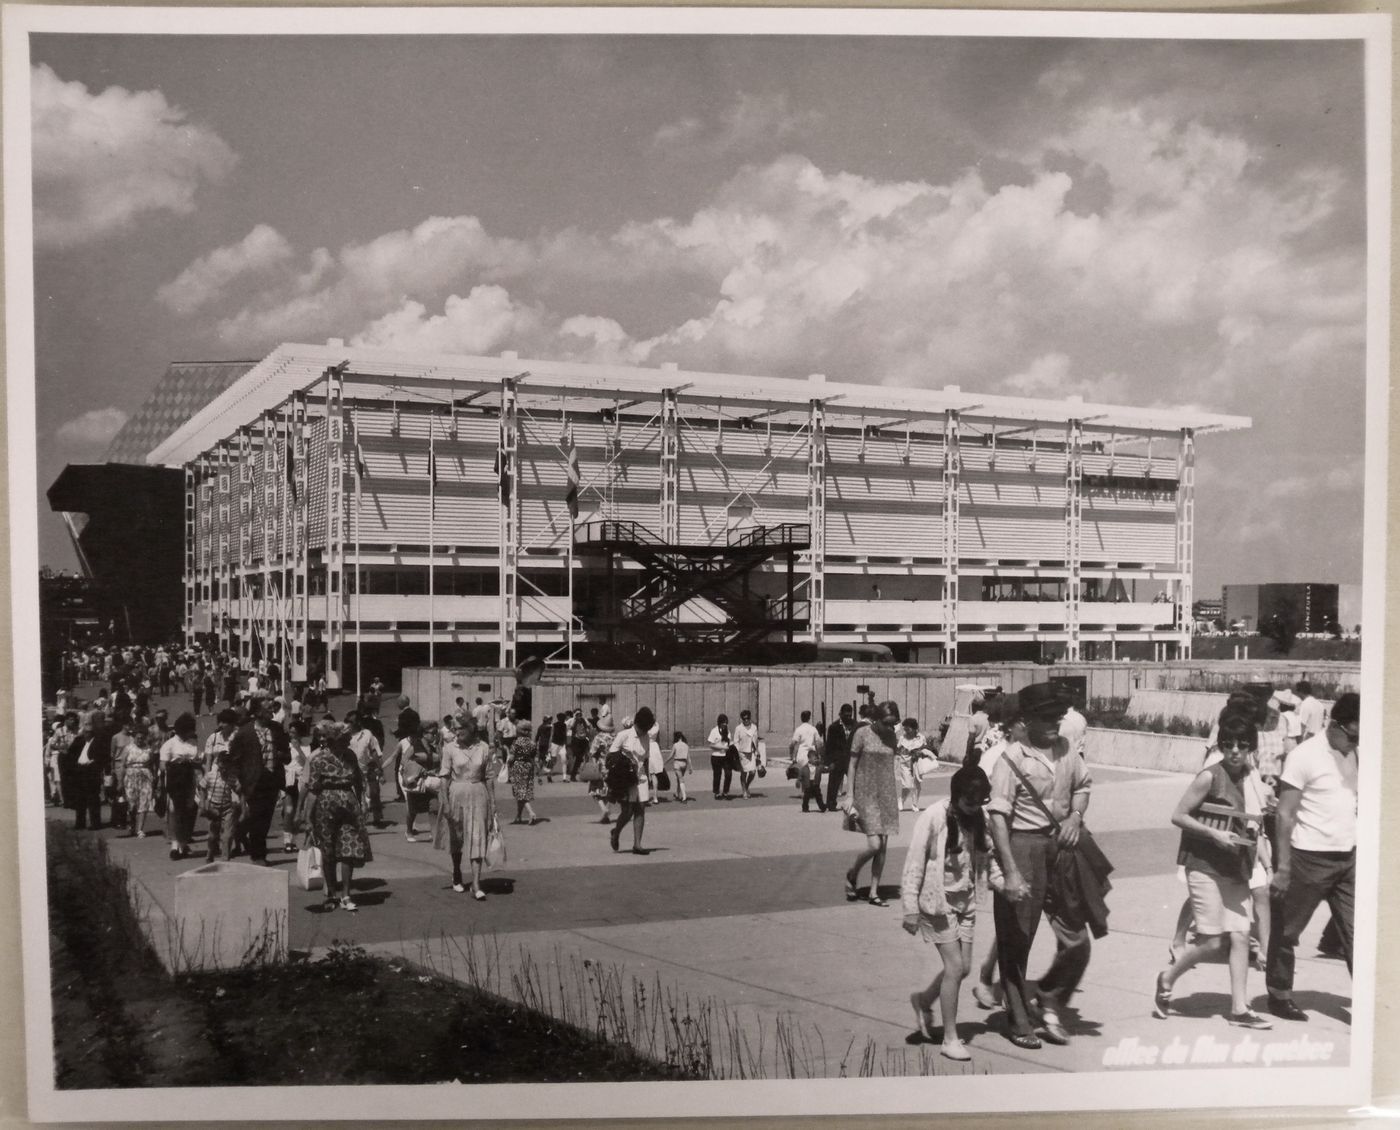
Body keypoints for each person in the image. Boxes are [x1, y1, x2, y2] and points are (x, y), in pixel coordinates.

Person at [986, 682, 1093, 1050]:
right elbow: (997, 818)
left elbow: (1083, 786)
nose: (1054, 725)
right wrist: (1011, 871)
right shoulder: (1011, 759)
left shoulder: (1067, 750)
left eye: (1058, 718)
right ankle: (1017, 1019)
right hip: (1024, 846)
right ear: (1027, 719)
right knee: (1018, 940)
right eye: (1046, 718)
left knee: (1077, 939)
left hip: (1061, 847)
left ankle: (1049, 995)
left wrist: (1076, 817)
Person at [1152, 711, 1273, 1030]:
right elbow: (1178, 815)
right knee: (1210, 942)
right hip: (1204, 865)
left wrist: (1267, 862)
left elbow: (1255, 824)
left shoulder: (1252, 778)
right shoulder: (1210, 775)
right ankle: (1167, 977)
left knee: (1241, 936)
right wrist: (1214, 834)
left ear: (1251, 748)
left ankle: (1239, 1009)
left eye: (1242, 745)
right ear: (1221, 745)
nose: (1235, 750)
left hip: (1237, 867)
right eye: (1229, 744)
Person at [1265, 691, 1359, 1022]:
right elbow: (1285, 814)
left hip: (1348, 858)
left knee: (1357, 934)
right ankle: (1279, 994)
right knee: (1287, 932)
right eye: (1352, 735)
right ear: (1334, 724)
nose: (1355, 743)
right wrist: (1284, 867)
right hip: (1307, 858)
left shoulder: (1357, 753)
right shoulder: (1305, 755)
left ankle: (1371, 1002)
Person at [902, 765, 1003, 1061]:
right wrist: (910, 908)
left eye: (979, 802)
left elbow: (988, 858)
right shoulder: (933, 817)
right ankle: (950, 1038)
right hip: (938, 902)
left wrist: (1002, 883)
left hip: (966, 900)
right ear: (956, 795)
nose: (975, 808)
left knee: (964, 967)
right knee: (955, 968)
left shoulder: (979, 818)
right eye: (969, 802)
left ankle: (924, 1000)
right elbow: (915, 861)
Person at [307, 720, 374, 911]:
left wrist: (363, 802)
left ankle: (346, 894)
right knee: (328, 852)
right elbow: (313, 789)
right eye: (344, 739)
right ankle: (331, 895)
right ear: (332, 740)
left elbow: (359, 782)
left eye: (348, 739)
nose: (347, 742)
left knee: (349, 849)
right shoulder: (319, 759)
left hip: (349, 808)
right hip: (325, 808)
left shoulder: (350, 756)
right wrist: (306, 817)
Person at [841, 700, 901, 906]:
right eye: (886, 723)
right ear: (876, 719)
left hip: (886, 794)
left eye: (893, 724)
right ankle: (853, 872)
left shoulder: (892, 736)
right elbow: (852, 764)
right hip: (865, 793)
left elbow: (892, 763)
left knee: (883, 846)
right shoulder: (862, 733)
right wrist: (850, 794)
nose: (890, 728)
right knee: (874, 844)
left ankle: (874, 892)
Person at [432, 717, 496, 900]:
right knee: (457, 837)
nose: (456, 732)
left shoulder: (483, 747)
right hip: (456, 794)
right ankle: (457, 872)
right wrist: (444, 801)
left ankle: (476, 883)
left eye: (460, 729)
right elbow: (444, 776)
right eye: (454, 729)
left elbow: (489, 777)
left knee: (478, 836)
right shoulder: (449, 748)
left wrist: (493, 804)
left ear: (470, 728)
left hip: (479, 794)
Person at [232, 696, 292, 863]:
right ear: (257, 712)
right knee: (257, 816)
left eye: (272, 708)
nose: (272, 711)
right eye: (268, 709)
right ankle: (258, 854)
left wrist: (281, 755)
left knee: (266, 817)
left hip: (272, 779)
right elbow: (235, 758)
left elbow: (286, 753)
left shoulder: (276, 728)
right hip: (253, 780)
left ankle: (255, 847)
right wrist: (238, 779)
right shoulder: (245, 732)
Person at [609, 708, 655, 854]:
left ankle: (637, 845)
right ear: (636, 724)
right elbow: (611, 755)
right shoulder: (623, 735)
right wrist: (626, 757)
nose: (644, 732)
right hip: (626, 778)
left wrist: (649, 778)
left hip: (641, 777)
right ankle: (616, 832)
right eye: (643, 729)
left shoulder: (647, 737)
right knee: (628, 811)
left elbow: (645, 759)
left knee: (641, 808)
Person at [201, 710, 243, 862]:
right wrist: (207, 778)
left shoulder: (237, 737)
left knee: (234, 815)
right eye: (220, 722)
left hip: (233, 778)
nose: (220, 725)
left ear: (231, 724)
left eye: (224, 722)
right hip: (215, 780)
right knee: (214, 826)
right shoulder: (213, 738)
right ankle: (212, 849)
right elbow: (208, 760)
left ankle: (230, 848)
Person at [159, 712, 202, 859]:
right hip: (175, 781)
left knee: (189, 810)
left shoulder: (192, 743)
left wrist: (193, 762)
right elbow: (163, 766)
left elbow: (196, 760)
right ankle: (175, 844)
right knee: (175, 811)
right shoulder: (169, 744)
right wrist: (177, 763)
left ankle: (183, 842)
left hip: (189, 779)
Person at [63, 710, 111, 831]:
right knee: (80, 800)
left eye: (89, 732)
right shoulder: (79, 741)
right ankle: (80, 823)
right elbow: (70, 754)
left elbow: (104, 756)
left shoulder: (98, 742)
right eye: (85, 731)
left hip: (91, 772)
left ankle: (95, 823)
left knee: (93, 799)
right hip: (80, 772)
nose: (87, 734)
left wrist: (94, 762)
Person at [398, 721, 440, 841]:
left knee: (434, 807)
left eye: (436, 733)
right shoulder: (414, 746)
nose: (435, 735)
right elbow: (404, 761)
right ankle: (409, 831)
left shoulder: (432, 747)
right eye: (433, 733)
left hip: (430, 781)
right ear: (424, 733)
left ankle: (434, 832)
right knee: (413, 810)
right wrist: (417, 770)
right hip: (416, 781)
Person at [348, 713, 386, 828]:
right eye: (348, 721)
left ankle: (377, 817)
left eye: (351, 722)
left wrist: (380, 769)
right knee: (357, 795)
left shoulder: (367, 734)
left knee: (374, 792)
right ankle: (360, 818)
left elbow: (374, 752)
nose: (349, 724)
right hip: (353, 770)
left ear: (358, 723)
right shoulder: (346, 736)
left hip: (370, 767)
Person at [281, 719, 312, 853]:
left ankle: (293, 840)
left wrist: (298, 748)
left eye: (294, 732)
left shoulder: (307, 746)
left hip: (302, 780)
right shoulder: (285, 745)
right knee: (288, 810)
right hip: (289, 780)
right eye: (290, 732)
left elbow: (308, 763)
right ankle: (287, 841)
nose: (292, 735)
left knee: (299, 812)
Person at [121, 725, 157, 838]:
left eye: (142, 738)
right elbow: (122, 765)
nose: (140, 740)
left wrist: (155, 778)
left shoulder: (149, 749)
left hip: (145, 777)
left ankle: (140, 829)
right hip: (131, 776)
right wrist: (120, 780)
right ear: (134, 738)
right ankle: (132, 825)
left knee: (144, 802)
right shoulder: (128, 748)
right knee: (131, 804)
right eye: (138, 738)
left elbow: (152, 765)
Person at [507, 719, 541, 825]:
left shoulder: (516, 742)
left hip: (518, 767)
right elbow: (535, 757)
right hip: (528, 767)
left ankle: (531, 813)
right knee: (524, 790)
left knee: (519, 792)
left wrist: (508, 763)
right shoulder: (532, 743)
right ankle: (518, 816)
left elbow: (511, 758)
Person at [823, 703, 855, 813]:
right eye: (846, 715)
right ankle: (831, 804)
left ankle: (856, 803)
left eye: (850, 715)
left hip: (851, 759)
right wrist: (829, 762)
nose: (848, 717)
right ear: (840, 714)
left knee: (855, 781)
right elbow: (829, 746)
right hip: (838, 759)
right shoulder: (833, 727)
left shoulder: (855, 725)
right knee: (834, 782)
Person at [896, 718, 933, 812]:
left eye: (908, 729)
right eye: (905, 729)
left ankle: (914, 804)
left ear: (913, 728)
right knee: (907, 785)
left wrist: (920, 752)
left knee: (917, 784)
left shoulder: (921, 737)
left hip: (917, 762)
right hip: (905, 762)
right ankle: (901, 800)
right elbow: (897, 749)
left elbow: (925, 748)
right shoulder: (902, 738)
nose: (906, 731)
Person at [733, 709, 762, 799]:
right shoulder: (739, 728)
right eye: (744, 719)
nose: (746, 720)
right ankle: (744, 791)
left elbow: (755, 739)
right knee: (744, 773)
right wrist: (738, 752)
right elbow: (736, 741)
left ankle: (747, 786)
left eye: (748, 718)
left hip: (752, 752)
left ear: (750, 718)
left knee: (753, 772)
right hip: (742, 753)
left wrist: (757, 750)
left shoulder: (754, 727)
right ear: (742, 719)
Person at [707, 713, 734, 800]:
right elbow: (711, 745)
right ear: (719, 723)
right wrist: (721, 747)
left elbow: (729, 743)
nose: (725, 724)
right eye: (723, 723)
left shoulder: (728, 732)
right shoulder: (714, 731)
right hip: (716, 756)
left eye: (726, 723)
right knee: (717, 775)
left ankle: (725, 792)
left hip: (726, 757)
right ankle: (717, 792)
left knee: (728, 774)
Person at [668, 732, 691, 803]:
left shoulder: (675, 745)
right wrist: (691, 767)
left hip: (677, 763)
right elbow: (688, 757)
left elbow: (671, 755)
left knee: (680, 779)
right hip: (684, 763)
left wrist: (665, 762)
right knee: (679, 779)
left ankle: (684, 796)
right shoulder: (686, 745)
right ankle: (677, 794)